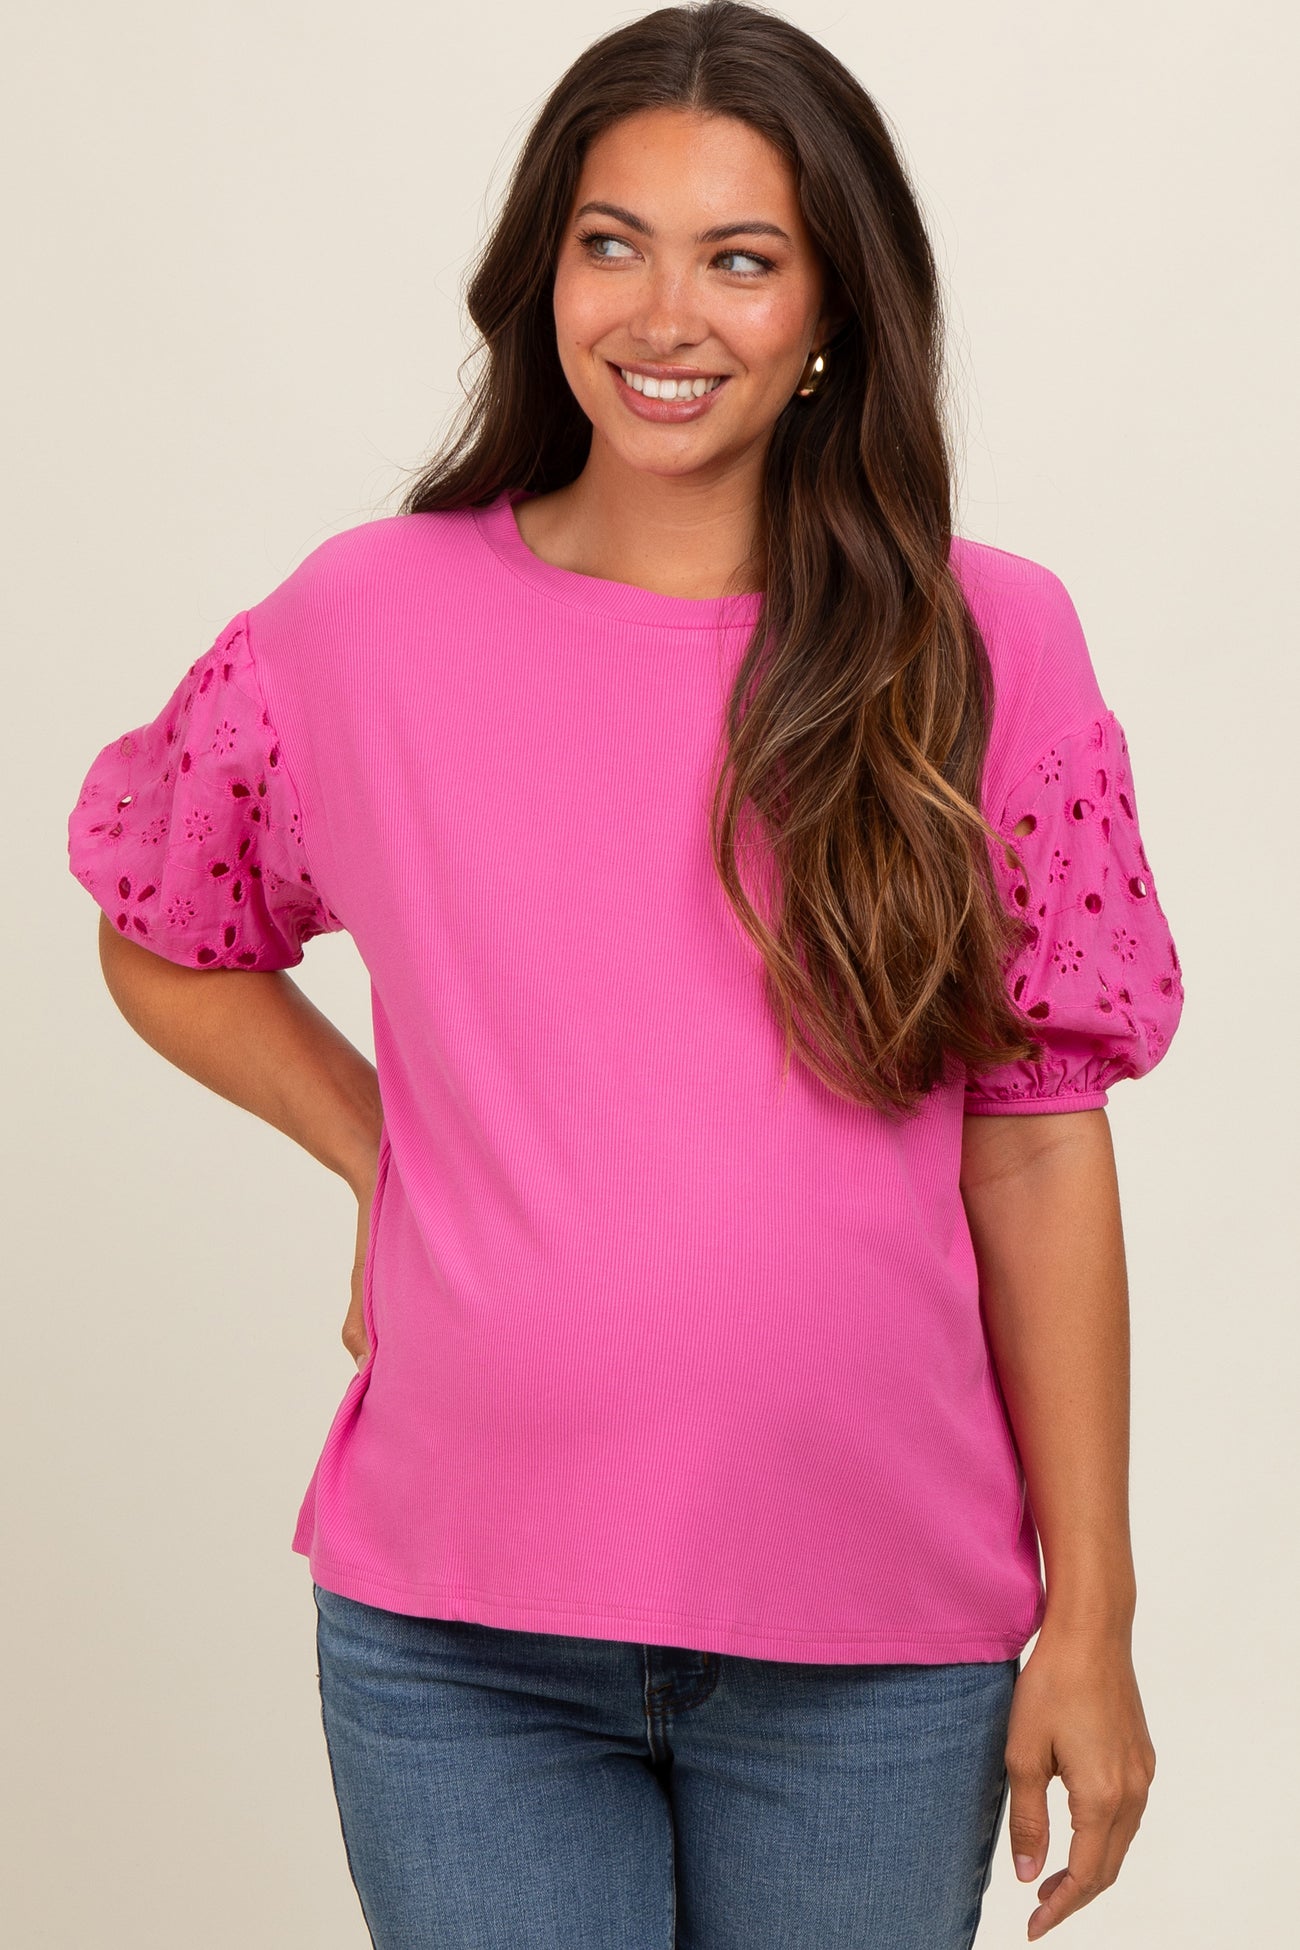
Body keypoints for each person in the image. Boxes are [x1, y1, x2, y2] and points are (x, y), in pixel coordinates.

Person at [65, 4, 1185, 1945]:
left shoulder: (981, 641)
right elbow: (166, 928)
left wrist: (1091, 1616)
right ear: (544, 271)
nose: (666, 315)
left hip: (876, 1647)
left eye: (739, 259)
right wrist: (385, 1153)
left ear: (830, 309)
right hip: (457, 1640)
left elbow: (1034, 1138)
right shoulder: (366, 620)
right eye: (613, 243)